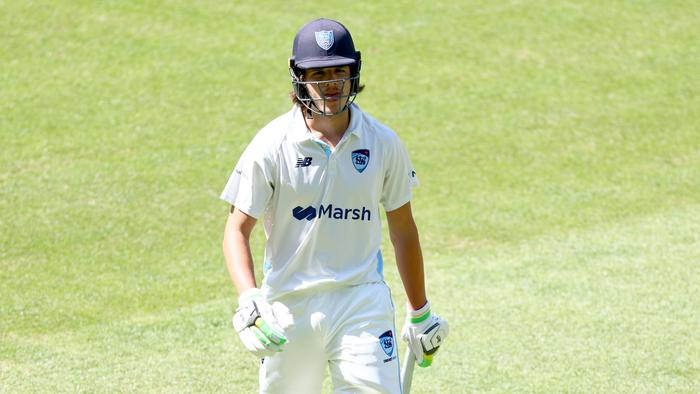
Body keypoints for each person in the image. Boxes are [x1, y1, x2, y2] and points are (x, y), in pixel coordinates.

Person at [221, 18, 448, 393]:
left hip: (361, 300)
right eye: (319, 74)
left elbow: (403, 231)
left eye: (339, 73)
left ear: (353, 74)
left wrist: (420, 311)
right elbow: (235, 230)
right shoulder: (271, 144)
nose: (330, 85)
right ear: (299, 79)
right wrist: (249, 300)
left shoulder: (382, 142)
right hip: (289, 307)